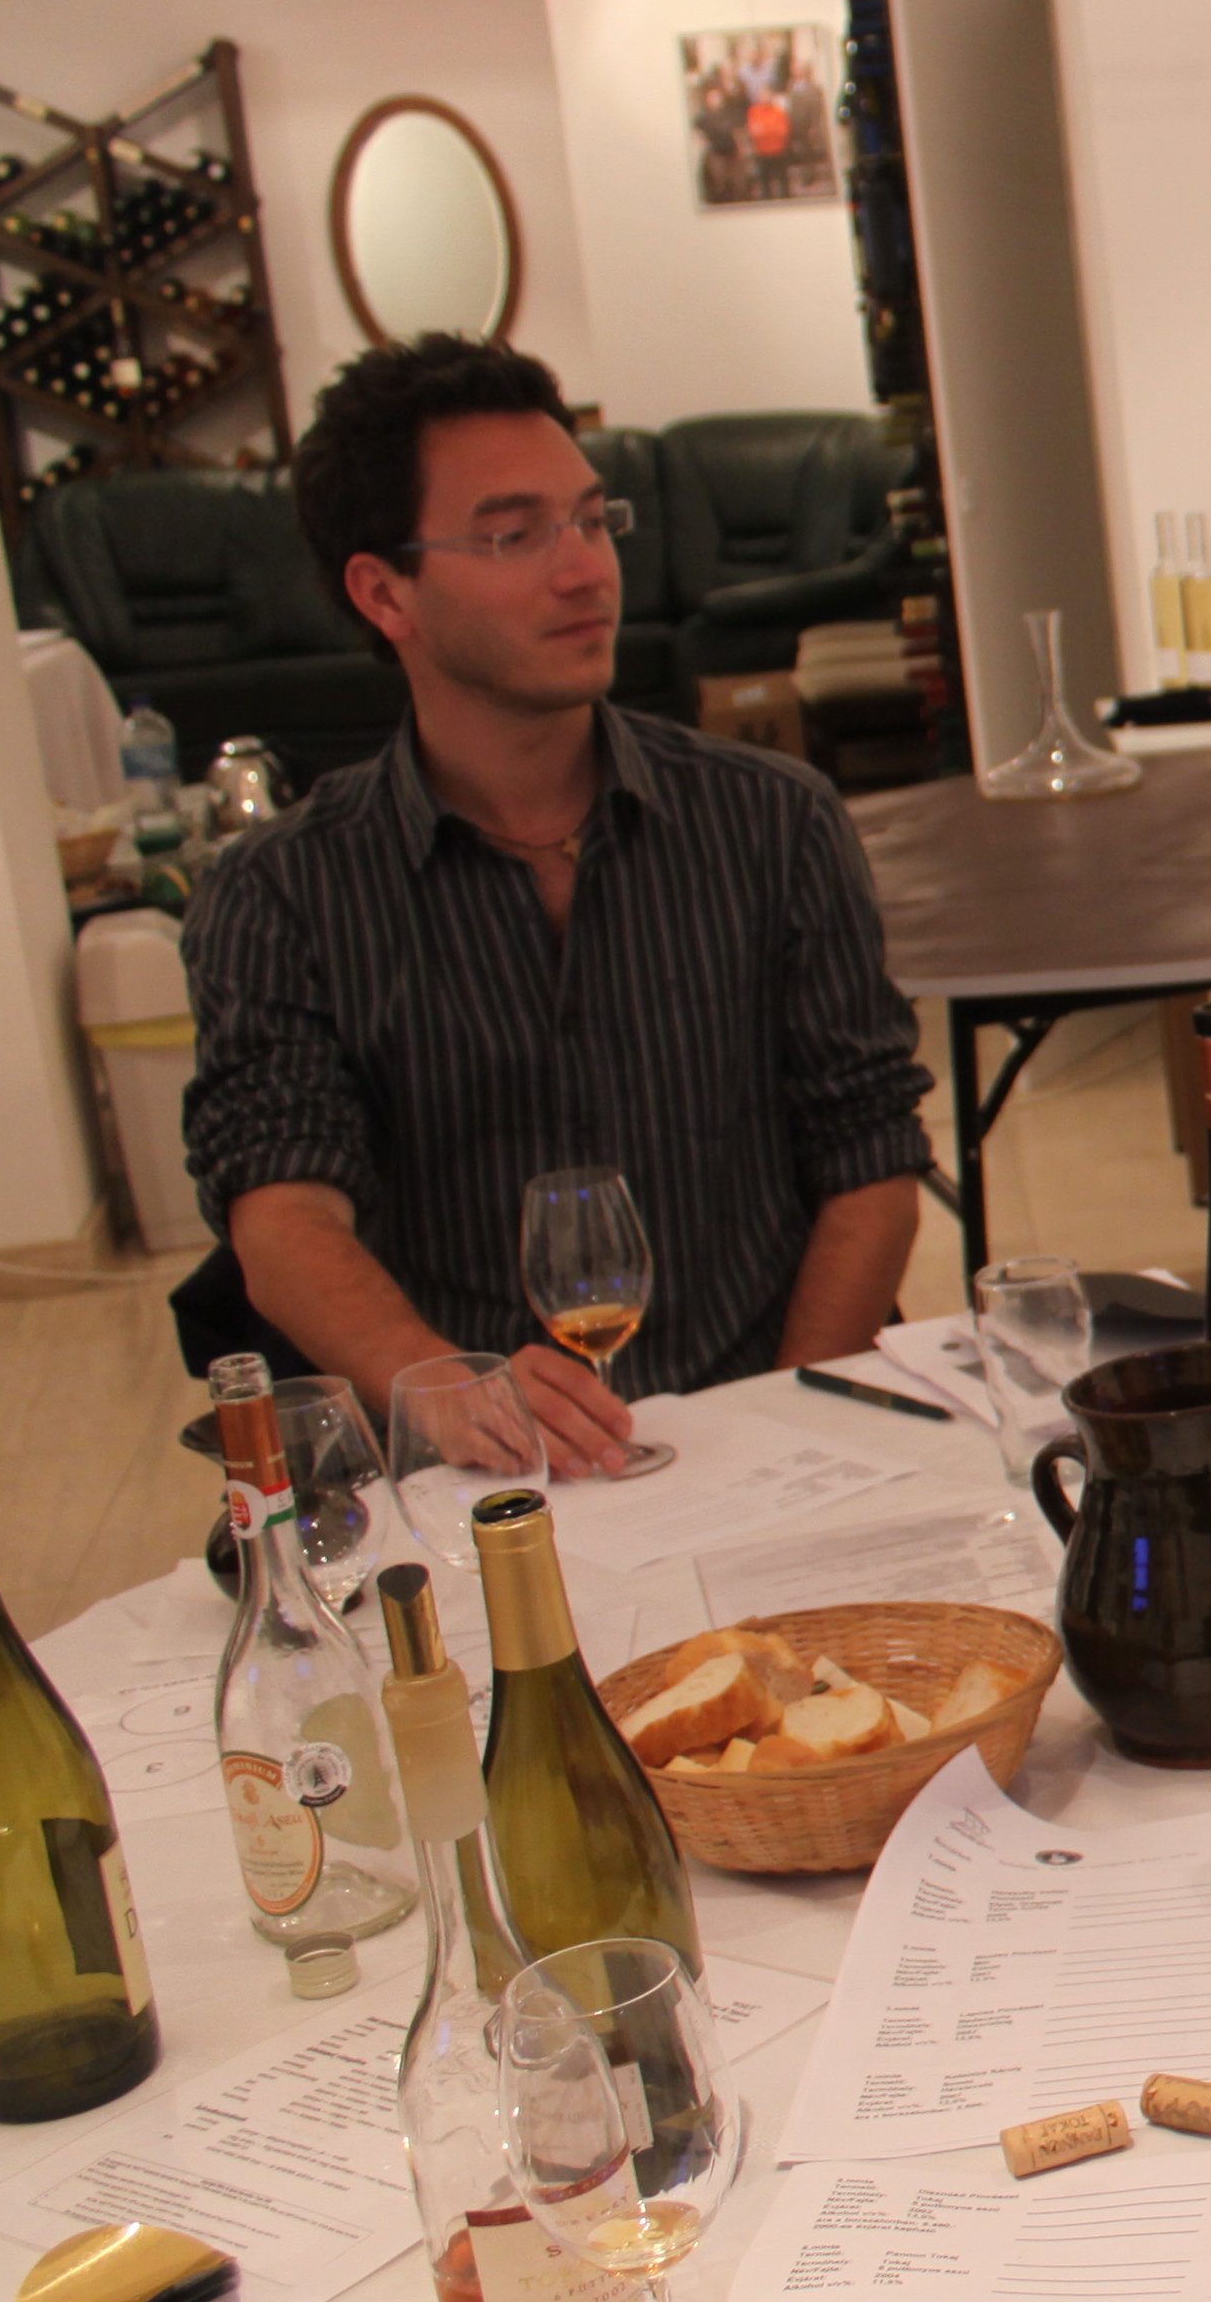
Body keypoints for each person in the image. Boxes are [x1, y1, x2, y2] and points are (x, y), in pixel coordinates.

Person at [183, 333, 931, 1474]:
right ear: (384, 592)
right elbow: (281, 1217)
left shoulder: (771, 821)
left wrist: (781, 1434)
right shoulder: (283, 893)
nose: (585, 571)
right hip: (488, 1485)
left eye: (591, 520)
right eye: (513, 535)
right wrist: (449, 1391)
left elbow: (870, 1159)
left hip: (766, 1435)